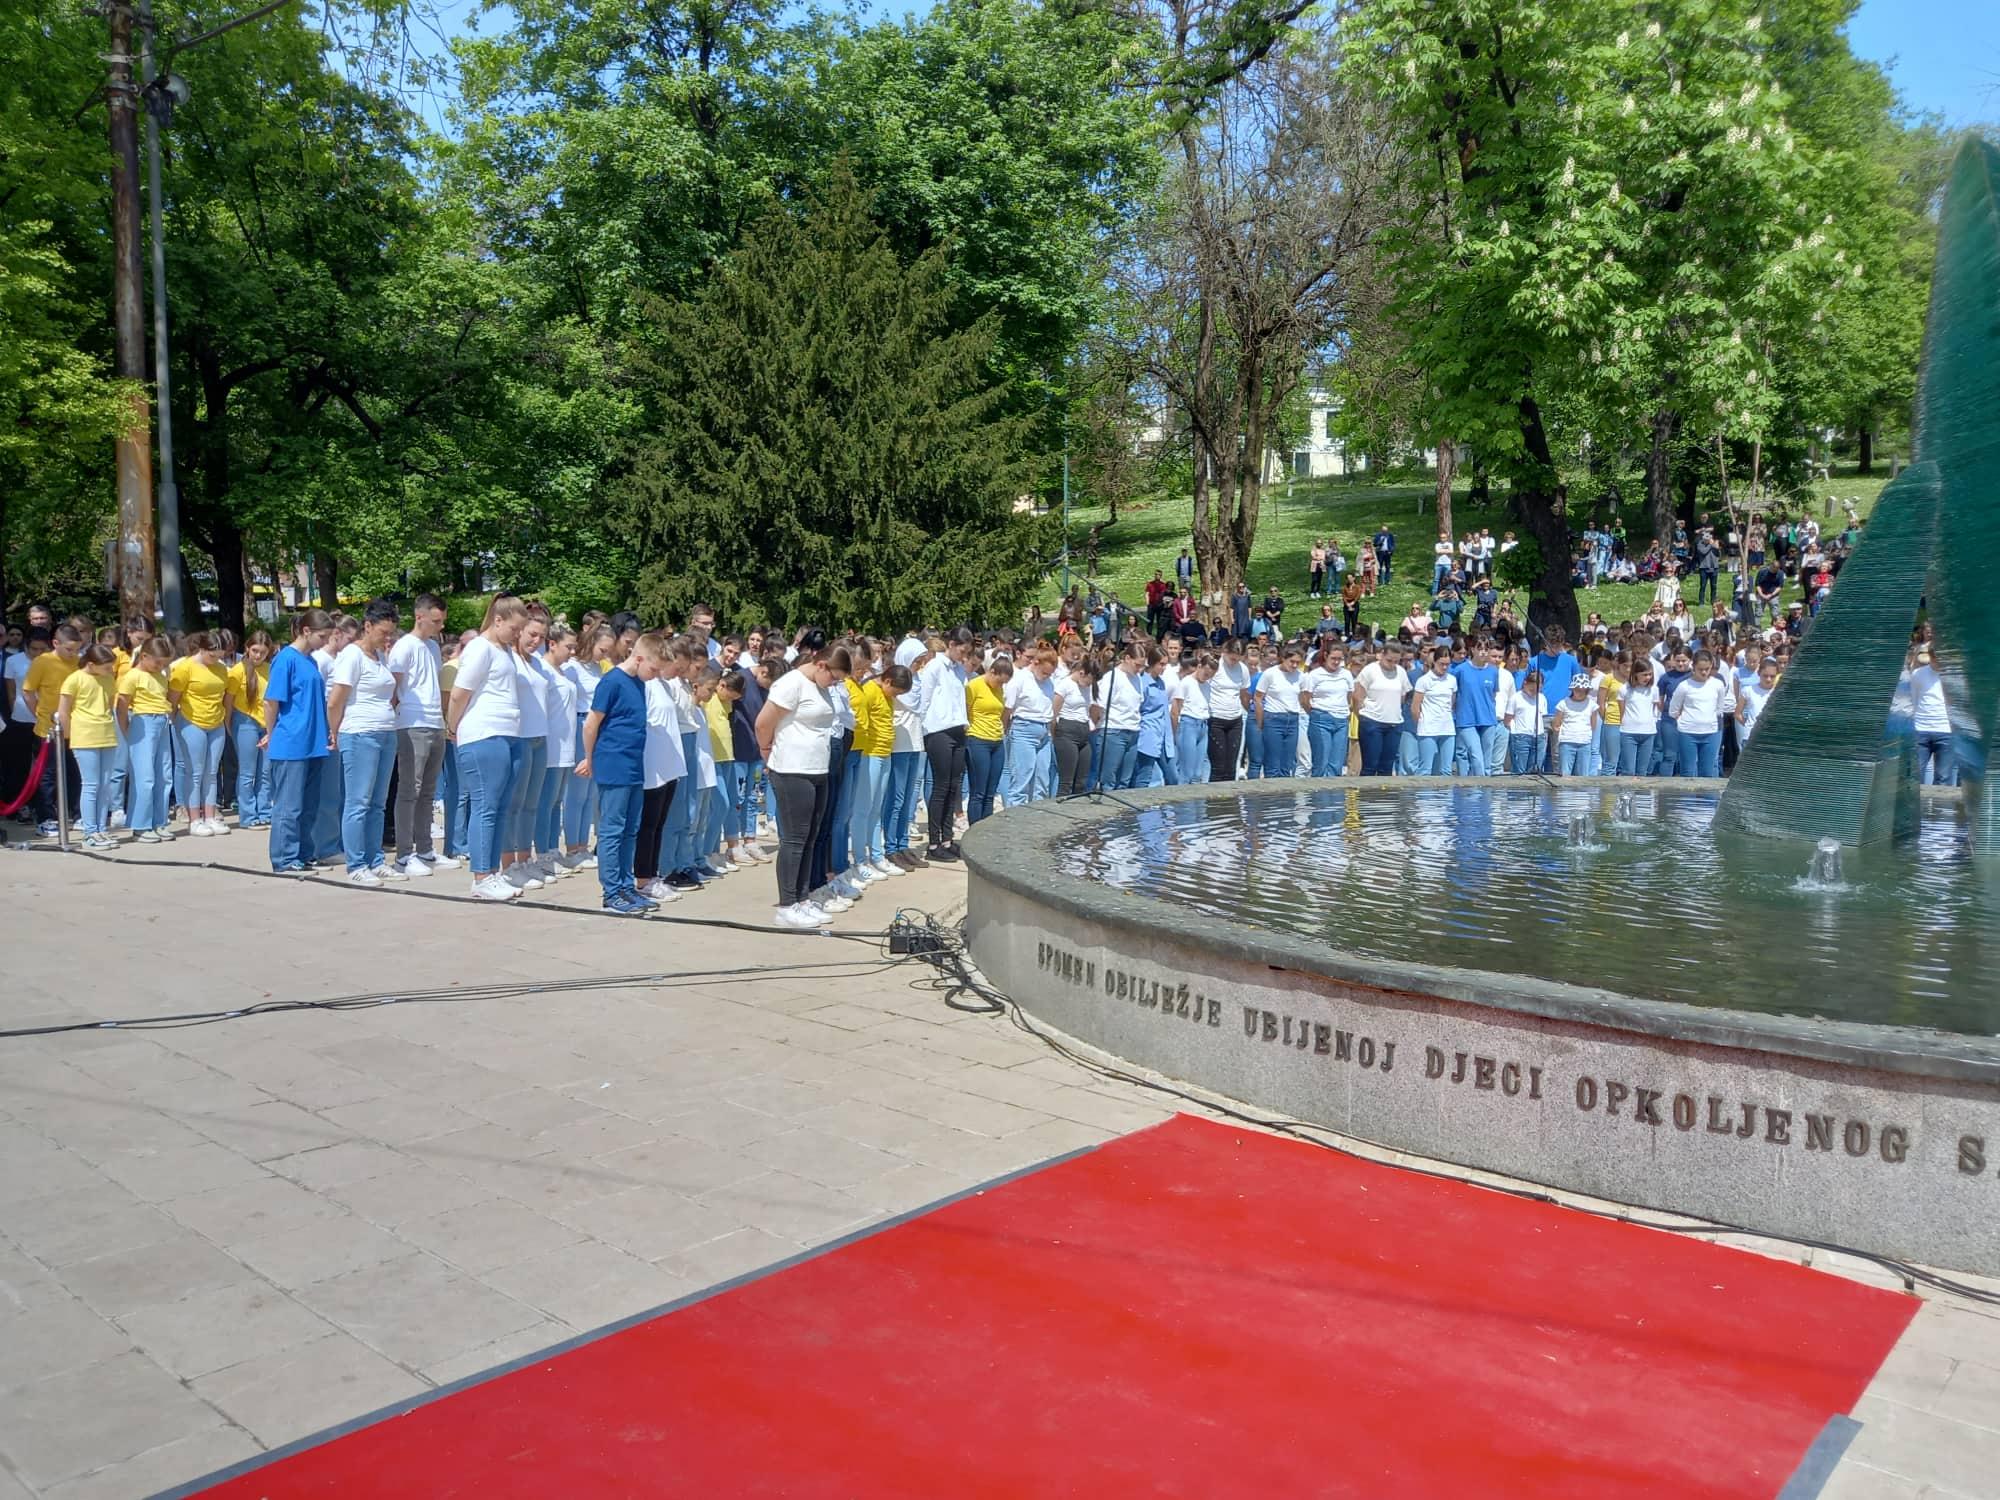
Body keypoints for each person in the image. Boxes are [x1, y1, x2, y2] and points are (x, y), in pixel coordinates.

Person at [447, 596, 528, 901]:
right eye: (514, 628)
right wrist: (452, 727)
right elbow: (459, 694)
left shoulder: (504, 650)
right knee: (486, 805)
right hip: (484, 733)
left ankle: (491, 872)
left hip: (508, 732)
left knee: (500, 807)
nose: (516, 634)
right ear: (497, 620)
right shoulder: (480, 648)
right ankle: (481, 874)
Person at [577, 631, 661, 914]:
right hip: (614, 764)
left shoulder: (640, 684)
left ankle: (626, 887)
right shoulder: (612, 681)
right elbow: (591, 724)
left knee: (630, 830)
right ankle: (611, 892)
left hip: (635, 766)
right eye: (654, 668)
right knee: (612, 830)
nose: (656, 675)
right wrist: (589, 759)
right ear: (638, 658)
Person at [758, 648, 841, 929]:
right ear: (821, 666)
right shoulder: (791, 684)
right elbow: (763, 722)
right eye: (834, 677)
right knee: (795, 839)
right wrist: (766, 751)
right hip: (792, 769)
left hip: (818, 768)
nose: (835, 683)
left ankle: (802, 898)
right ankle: (787, 904)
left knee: (810, 837)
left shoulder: (822, 686)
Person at [328, 599, 404, 886]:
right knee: (358, 801)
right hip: (360, 732)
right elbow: (336, 700)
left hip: (385, 732)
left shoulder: (379, 657)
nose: (388, 638)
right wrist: (333, 731)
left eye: (391, 633)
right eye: (383, 632)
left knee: (378, 802)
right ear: (367, 626)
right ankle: (356, 862)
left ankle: (375, 858)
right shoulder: (352, 655)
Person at [388, 593, 456, 879]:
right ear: (420, 616)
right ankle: (404, 854)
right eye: (436, 621)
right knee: (409, 790)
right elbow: (394, 688)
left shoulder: (432, 646)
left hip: (434, 722)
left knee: (428, 790)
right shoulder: (404, 647)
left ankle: (425, 848)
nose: (440, 627)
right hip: (412, 723)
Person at [263, 611, 334, 873]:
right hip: (291, 741)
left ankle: (304, 853)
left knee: (309, 804)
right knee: (289, 805)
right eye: (321, 636)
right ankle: (284, 858)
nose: (324, 641)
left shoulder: (311, 662)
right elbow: (271, 701)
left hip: (313, 741)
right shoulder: (285, 660)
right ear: (306, 631)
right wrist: (271, 734)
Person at [917, 629, 974, 862]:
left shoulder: (959, 670)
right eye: (962, 649)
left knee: (954, 786)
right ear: (952, 644)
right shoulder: (935, 667)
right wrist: (922, 731)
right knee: (940, 787)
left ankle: (947, 839)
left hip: (957, 728)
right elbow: (925, 699)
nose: (964, 655)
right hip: (938, 731)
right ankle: (933, 842)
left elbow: (958, 700)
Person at [56, 646, 121, 849]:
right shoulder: (74, 679)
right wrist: (67, 736)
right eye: (107, 667)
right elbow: (63, 710)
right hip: (85, 736)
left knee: (104, 784)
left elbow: (109, 704)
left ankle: (101, 828)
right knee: (91, 785)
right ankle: (89, 832)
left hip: (107, 734)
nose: (111, 671)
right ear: (91, 664)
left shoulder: (108, 679)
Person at [169, 634, 231, 837]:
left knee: (212, 772)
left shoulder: (221, 668)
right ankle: (194, 819)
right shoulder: (185, 667)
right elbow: (173, 699)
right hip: (191, 721)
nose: (216, 660)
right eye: (212, 655)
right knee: (195, 772)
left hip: (216, 722)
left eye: (220, 656)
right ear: (202, 650)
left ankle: (211, 816)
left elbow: (223, 695)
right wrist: (174, 720)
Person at [847, 663, 904, 879]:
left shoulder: (887, 696)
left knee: (876, 808)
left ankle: (876, 855)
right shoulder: (870, 691)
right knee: (863, 809)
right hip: (869, 754)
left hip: (885, 753)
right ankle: (860, 859)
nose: (897, 696)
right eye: (896, 691)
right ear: (887, 681)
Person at [117, 637, 176, 842]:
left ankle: (159, 821)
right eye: (158, 662)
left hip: (161, 720)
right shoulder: (133, 675)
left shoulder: (160, 676)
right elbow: (122, 705)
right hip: (143, 721)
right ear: (144, 656)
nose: (161, 667)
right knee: (145, 777)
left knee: (164, 774)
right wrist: (126, 730)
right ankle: (140, 825)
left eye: (164, 663)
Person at [225, 632, 274, 829]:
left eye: (262, 652)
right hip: (245, 721)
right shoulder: (237, 671)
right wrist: (229, 725)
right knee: (247, 772)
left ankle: (264, 811)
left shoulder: (270, 669)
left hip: (267, 723)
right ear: (247, 648)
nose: (257, 656)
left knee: (266, 771)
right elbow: (228, 703)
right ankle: (247, 815)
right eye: (254, 651)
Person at [1004, 648, 1055, 808]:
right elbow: (1008, 708)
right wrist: (1005, 730)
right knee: (1022, 778)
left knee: (1042, 780)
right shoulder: (1020, 679)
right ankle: (1013, 819)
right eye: (1044, 672)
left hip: (1044, 731)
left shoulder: (1049, 683)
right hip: (1024, 728)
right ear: (1035, 663)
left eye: (1050, 674)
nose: (1046, 676)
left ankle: (1037, 817)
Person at [1669, 650, 1730, 778]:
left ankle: (1707, 798)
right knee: (1688, 771)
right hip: (1688, 733)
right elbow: (1673, 710)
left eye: (1707, 669)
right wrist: (1683, 722)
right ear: (1693, 667)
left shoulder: (1718, 685)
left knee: (1707, 772)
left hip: (1711, 733)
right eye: (1700, 669)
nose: (1703, 672)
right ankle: (1688, 798)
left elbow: (1719, 709)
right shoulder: (1684, 686)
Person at [1353, 645, 1408, 776]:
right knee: (1370, 766)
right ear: (1382, 655)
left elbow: (1403, 696)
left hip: (1394, 722)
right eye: (1389, 660)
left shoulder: (1400, 672)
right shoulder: (1370, 670)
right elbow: (1357, 696)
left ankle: (1384, 796)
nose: (1392, 664)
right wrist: (1362, 716)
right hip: (1372, 721)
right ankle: (1366, 796)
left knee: (1387, 767)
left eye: (1396, 661)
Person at [1254, 647, 1304, 780]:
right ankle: (1272, 799)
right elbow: (1258, 697)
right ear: (1283, 658)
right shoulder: (1270, 674)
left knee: (1287, 764)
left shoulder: (1300, 676)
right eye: (1291, 661)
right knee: (1273, 764)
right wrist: (1260, 722)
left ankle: (1286, 799)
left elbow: (1303, 696)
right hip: (1274, 718)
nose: (1294, 665)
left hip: (1293, 718)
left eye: (1297, 662)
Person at [1302, 645, 1352, 777]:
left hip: (1342, 719)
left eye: (1339, 659)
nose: (1336, 662)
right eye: (1333, 658)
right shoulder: (1314, 675)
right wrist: (1315, 712)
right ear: (1325, 656)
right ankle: (1319, 796)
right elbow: (1305, 698)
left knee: (1337, 763)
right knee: (1321, 762)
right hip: (1321, 717)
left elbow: (1349, 696)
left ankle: (1334, 796)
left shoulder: (1346, 674)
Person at [1908, 647, 1954, 785]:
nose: (1940, 663)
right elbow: (1914, 699)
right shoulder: (1918, 674)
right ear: (1932, 658)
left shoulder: (1954, 675)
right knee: (1914, 776)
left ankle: (1937, 807)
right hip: (1921, 729)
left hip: (1946, 731)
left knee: (1943, 778)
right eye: (1937, 659)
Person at [1409, 647, 1457, 776]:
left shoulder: (1452, 680)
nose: (1445, 667)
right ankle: (1424, 796)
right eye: (1442, 664)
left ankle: (1445, 796)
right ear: (1434, 662)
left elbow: (1452, 703)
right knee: (1425, 769)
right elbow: (1415, 707)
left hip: (1447, 728)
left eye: (1448, 664)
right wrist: (1421, 723)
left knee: (1446, 770)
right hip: (1428, 729)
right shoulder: (1424, 680)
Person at [1551, 673, 1600, 777]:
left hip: (1585, 742)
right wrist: (1562, 733)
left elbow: (1593, 725)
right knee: (1565, 773)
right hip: (1567, 741)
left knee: (1583, 775)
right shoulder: (1563, 703)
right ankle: (1565, 793)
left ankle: (1582, 793)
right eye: (1578, 689)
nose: (1581, 693)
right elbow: (1556, 724)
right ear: (1573, 689)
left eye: (1584, 690)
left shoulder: (1592, 705)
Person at [1617, 660, 1661, 775]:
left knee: (1642, 771)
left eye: (1650, 674)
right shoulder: (1625, 689)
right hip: (1629, 733)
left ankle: (1641, 794)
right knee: (1628, 770)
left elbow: (1655, 710)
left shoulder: (1654, 690)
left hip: (1648, 733)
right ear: (1635, 674)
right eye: (1644, 674)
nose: (1647, 677)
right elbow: (1621, 710)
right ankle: (1626, 793)